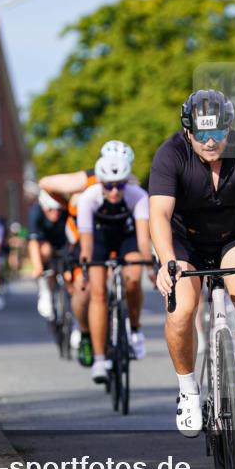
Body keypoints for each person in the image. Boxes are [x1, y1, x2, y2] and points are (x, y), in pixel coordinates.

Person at [150, 89, 235, 437]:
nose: (210, 141)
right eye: (202, 133)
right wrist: (167, 261)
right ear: (188, 131)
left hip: (233, 236)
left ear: (229, 128)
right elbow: (159, 214)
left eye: (218, 132)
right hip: (184, 242)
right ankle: (188, 391)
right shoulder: (170, 154)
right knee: (182, 310)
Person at [38, 140, 137, 367]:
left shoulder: (131, 185)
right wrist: (69, 202)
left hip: (117, 238)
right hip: (85, 239)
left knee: (130, 278)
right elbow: (45, 183)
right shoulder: (88, 180)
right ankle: (84, 331)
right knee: (84, 290)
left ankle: (128, 329)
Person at [76, 154, 154, 383]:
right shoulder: (88, 198)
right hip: (99, 238)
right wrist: (85, 267)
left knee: (134, 277)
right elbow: (86, 243)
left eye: (119, 185)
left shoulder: (138, 195)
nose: (114, 191)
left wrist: (149, 266)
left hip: (126, 237)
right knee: (98, 293)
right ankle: (100, 359)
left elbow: (143, 240)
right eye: (108, 186)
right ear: (100, 183)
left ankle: (135, 329)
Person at [28, 190, 70, 320]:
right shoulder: (36, 212)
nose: (55, 213)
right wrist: (38, 267)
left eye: (58, 209)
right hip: (46, 243)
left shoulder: (66, 211)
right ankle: (45, 289)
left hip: (64, 243)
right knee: (45, 250)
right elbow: (33, 242)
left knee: (70, 277)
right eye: (51, 209)